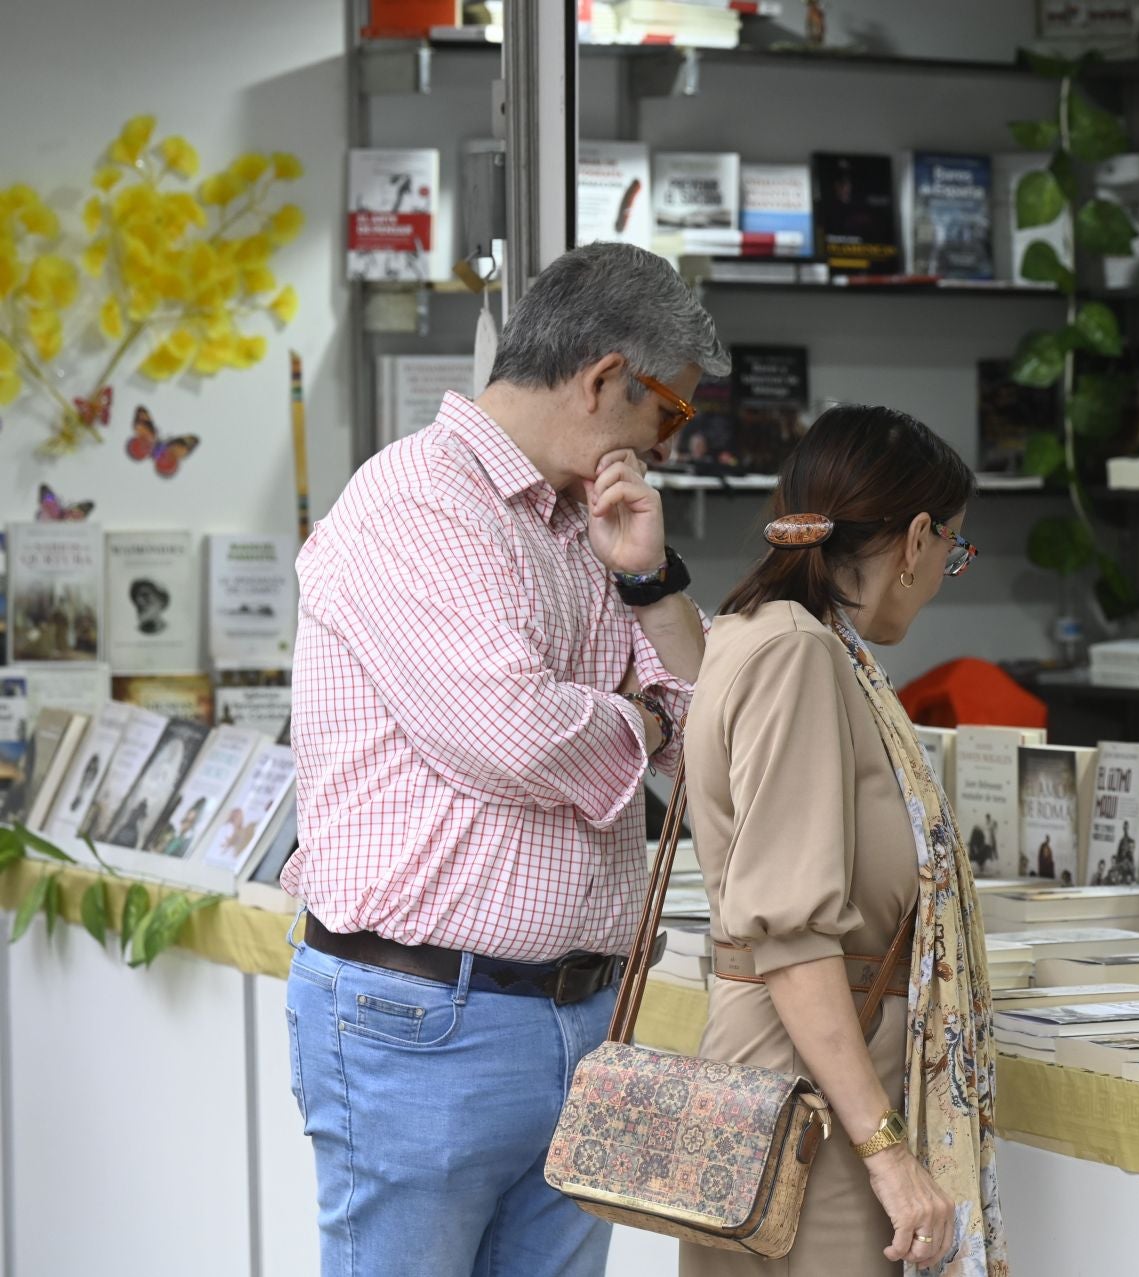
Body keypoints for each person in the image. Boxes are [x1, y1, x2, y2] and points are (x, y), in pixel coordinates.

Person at [283, 242, 723, 1277]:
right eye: (670, 413)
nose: (667, 445)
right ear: (604, 379)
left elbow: (714, 730)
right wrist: (641, 721)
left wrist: (650, 580)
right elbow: (514, 732)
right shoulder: (418, 502)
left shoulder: (590, 523)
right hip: (420, 1019)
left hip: (583, 1014)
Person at [682, 404, 1003, 1277]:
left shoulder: (766, 631)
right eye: (952, 549)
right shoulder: (801, 653)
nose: (943, 573)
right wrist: (887, 1153)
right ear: (916, 537)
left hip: (794, 1081)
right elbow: (793, 933)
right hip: (810, 1100)